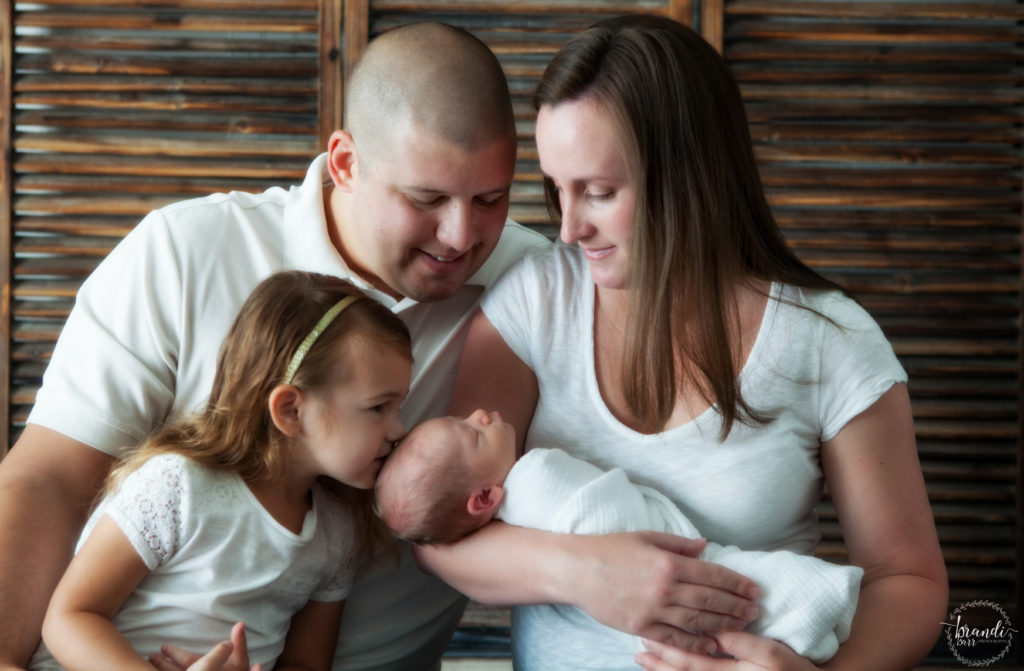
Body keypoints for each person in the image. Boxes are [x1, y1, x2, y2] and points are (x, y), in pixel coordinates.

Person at [0, 20, 759, 671]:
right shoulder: (183, 251)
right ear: (345, 163)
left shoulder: (537, 286)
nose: (462, 238)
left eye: (491, 199)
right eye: (426, 200)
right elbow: (48, 480)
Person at [417, 14, 949, 671]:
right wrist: (583, 572)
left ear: (689, 173)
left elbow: (911, 582)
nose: (570, 227)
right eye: (558, 191)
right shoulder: (534, 301)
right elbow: (441, 534)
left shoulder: (827, 340)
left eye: (601, 191)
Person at [29, 271, 411, 671]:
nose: (399, 429)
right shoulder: (178, 487)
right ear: (291, 411)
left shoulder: (336, 533)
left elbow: (306, 663)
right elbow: (70, 619)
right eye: (378, 408)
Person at [376, 409, 862, 666]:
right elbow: (436, 550)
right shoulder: (538, 479)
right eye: (470, 433)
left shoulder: (515, 505)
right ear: (482, 500)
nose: (479, 413)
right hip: (677, 606)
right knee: (743, 593)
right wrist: (586, 570)